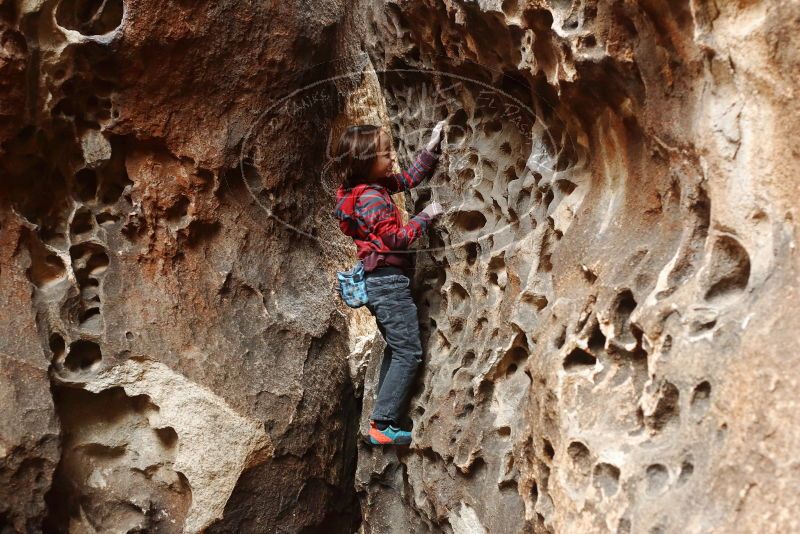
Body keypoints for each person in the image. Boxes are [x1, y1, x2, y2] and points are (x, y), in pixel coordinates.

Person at [332, 121, 446, 445]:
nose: (391, 158)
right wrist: (426, 216)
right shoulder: (371, 198)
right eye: (383, 154)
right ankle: (383, 425)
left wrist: (430, 148)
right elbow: (395, 240)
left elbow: (408, 179)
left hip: (381, 282)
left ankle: (381, 421)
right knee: (409, 352)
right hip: (388, 283)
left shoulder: (372, 187)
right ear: (364, 163)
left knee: (397, 350)